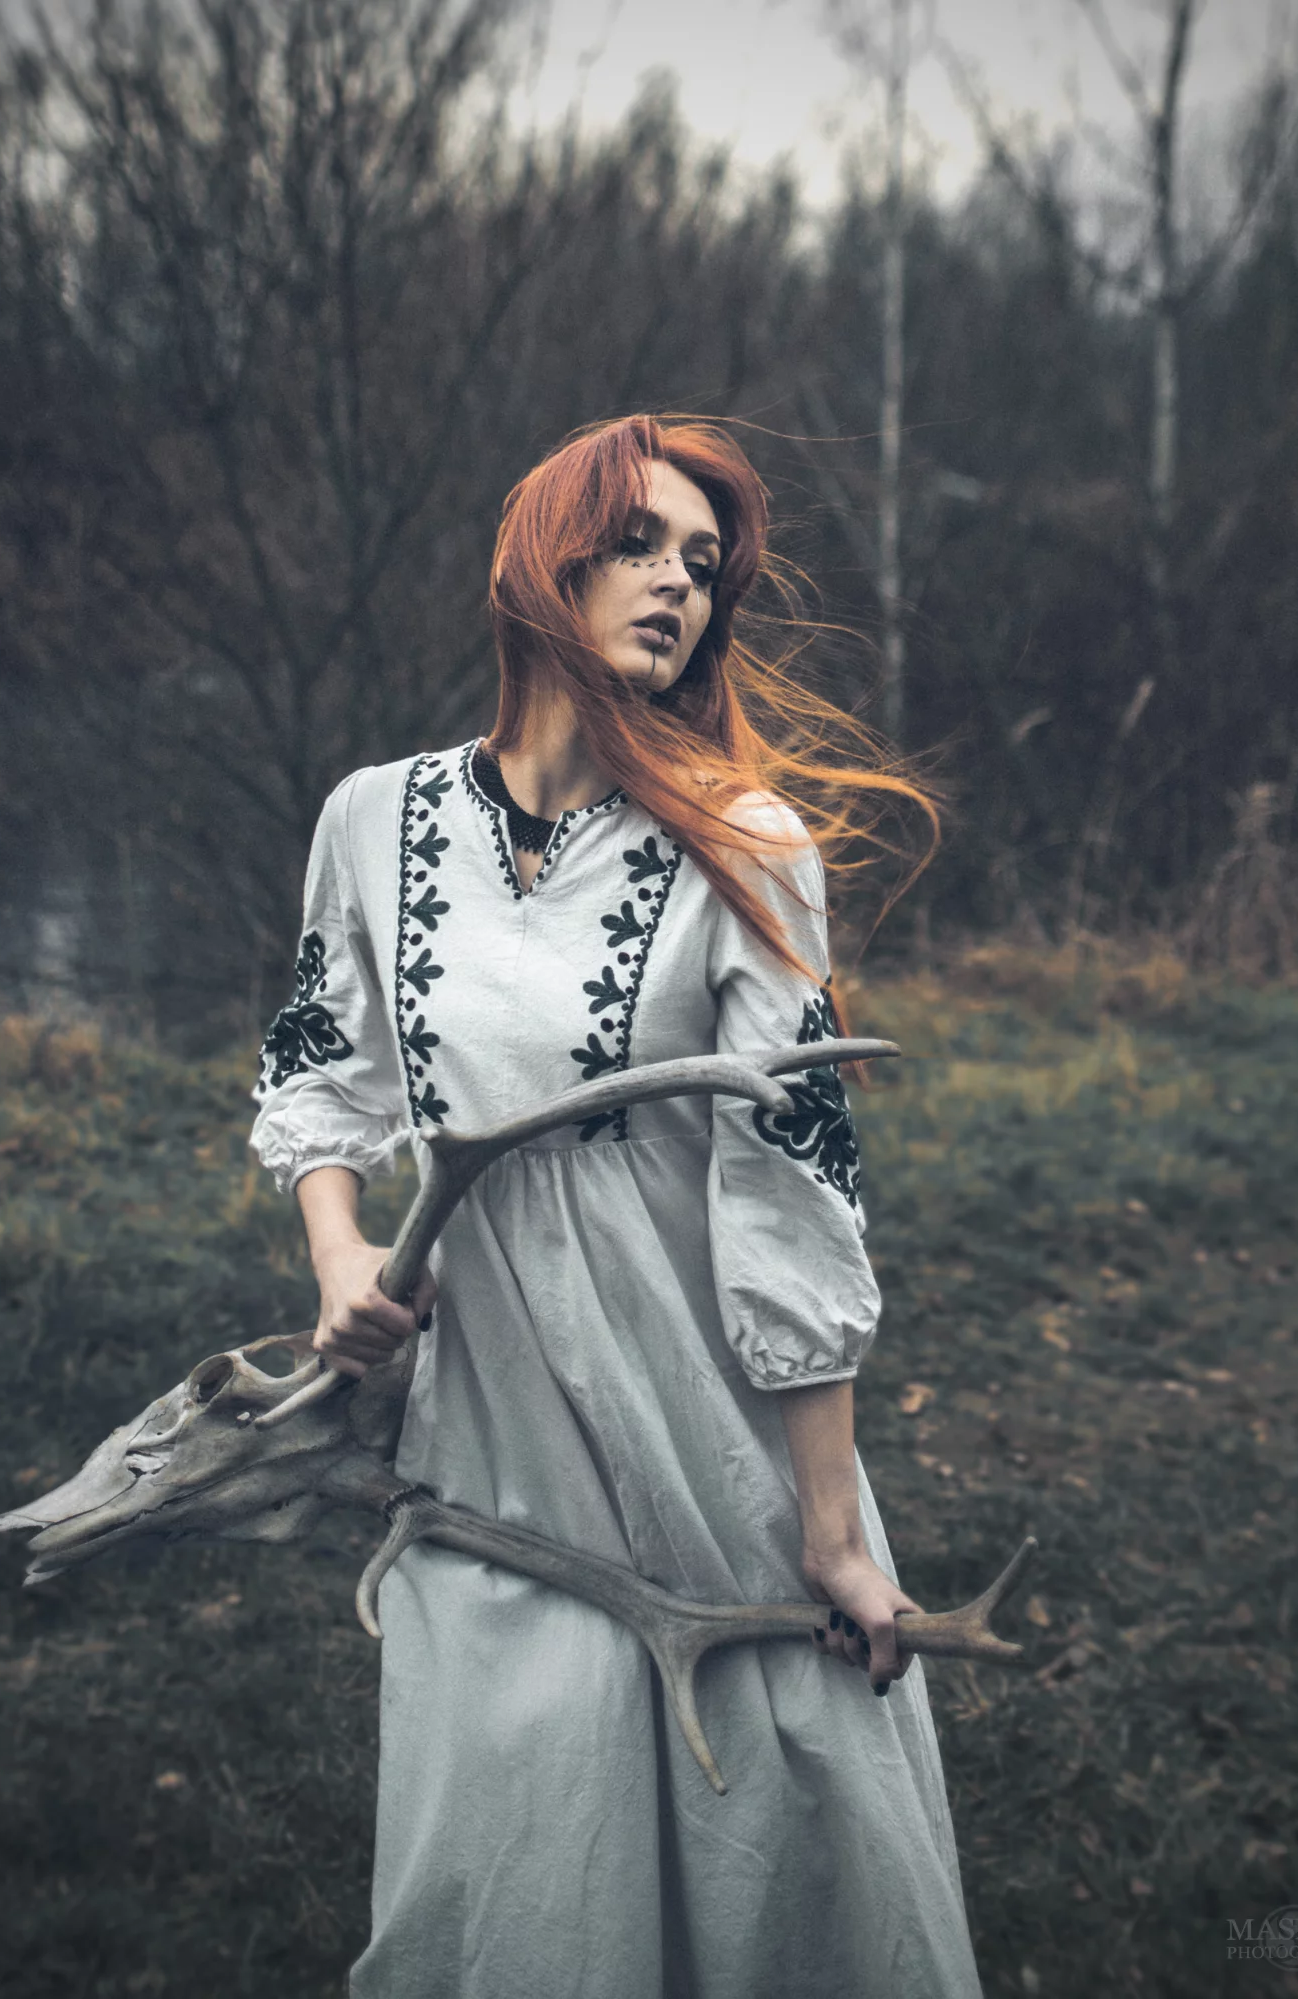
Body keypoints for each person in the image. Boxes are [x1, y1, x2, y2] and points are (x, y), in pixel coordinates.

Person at [249, 415, 982, 1998]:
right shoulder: (374, 819)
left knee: (781, 1837)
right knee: (508, 1851)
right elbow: (321, 1064)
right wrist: (339, 1250)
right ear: (544, 557)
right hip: (485, 1437)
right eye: (641, 543)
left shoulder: (750, 844)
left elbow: (793, 1187)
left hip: (695, 1417)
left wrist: (833, 1531)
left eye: (704, 567)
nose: (678, 587)